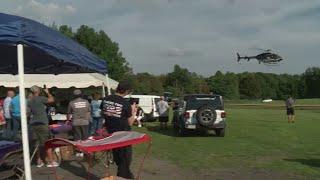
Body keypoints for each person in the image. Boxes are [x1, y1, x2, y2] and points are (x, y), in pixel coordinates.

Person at [100, 80, 136, 179]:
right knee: (125, 160)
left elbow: (102, 114)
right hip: (123, 135)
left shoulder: (105, 99)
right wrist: (133, 111)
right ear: (127, 91)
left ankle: (127, 175)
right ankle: (123, 177)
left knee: (119, 159)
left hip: (111, 134)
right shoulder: (125, 103)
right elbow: (130, 122)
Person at [28, 85, 57, 167]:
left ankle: (39, 161)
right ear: (38, 91)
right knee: (47, 142)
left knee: (37, 143)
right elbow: (52, 100)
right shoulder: (40, 98)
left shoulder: (29, 100)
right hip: (42, 123)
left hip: (33, 123)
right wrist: (47, 92)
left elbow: (28, 112)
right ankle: (50, 161)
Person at [67, 89, 91, 157]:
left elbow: (68, 113)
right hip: (85, 121)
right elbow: (89, 111)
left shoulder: (71, 103)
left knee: (77, 137)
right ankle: (85, 151)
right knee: (85, 137)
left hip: (76, 122)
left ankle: (78, 152)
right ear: (81, 95)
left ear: (74, 96)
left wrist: (68, 120)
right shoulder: (86, 102)